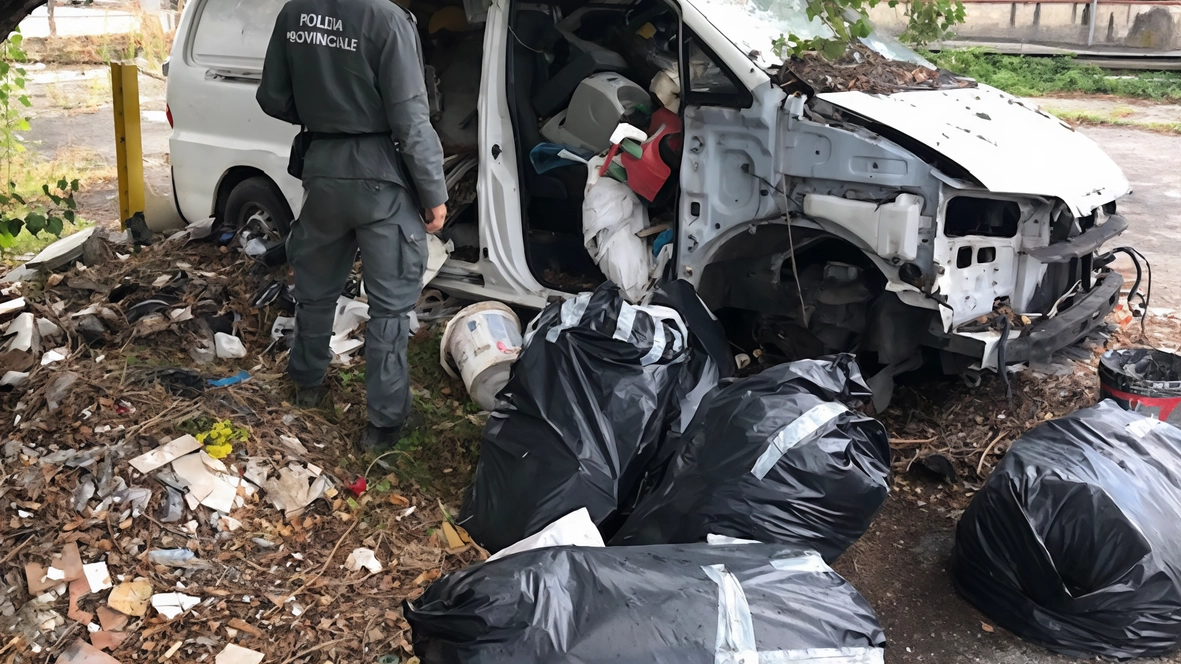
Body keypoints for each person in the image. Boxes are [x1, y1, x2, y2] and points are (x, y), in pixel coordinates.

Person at [257, 0, 447, 453]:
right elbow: (411, 117)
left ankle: (306, 385)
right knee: (390, 306)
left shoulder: (294, 13)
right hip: (381, 174)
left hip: (322, 169)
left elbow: (272, 97)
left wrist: (327, 112)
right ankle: (383, 426)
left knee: (316, 289)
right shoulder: (387, 19)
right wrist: (434, 193)